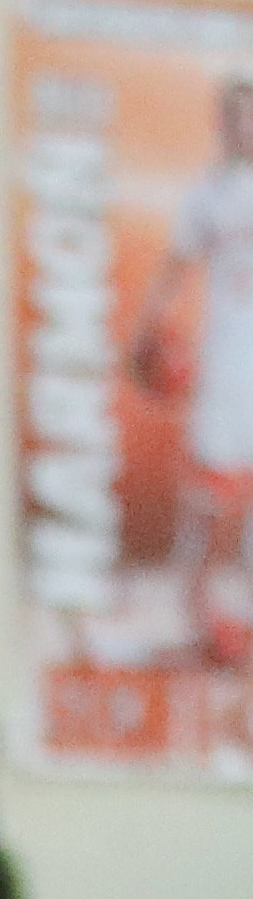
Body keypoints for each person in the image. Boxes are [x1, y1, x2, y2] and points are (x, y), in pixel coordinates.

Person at [137, 76, 253, 654]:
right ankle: (199, 609)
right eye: (233, 117)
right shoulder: (210, 192)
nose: (242, 127)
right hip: (231, 364)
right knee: (215, 497)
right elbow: (175, 266)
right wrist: (148, 332)